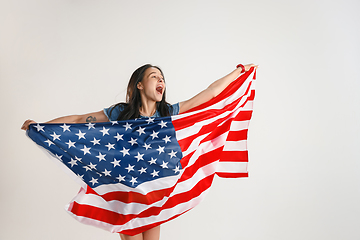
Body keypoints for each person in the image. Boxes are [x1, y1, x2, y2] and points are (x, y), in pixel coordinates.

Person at [21, 63, 257, 240]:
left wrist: (239, 71)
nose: (160, 80)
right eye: (154, 76)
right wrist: (42, 126)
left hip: (153, 192)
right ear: (140, 84)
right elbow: (82, 120)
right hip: (127, 192)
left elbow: (211, 92)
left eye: (162, 78)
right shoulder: (120, 113)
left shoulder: (168, 113)